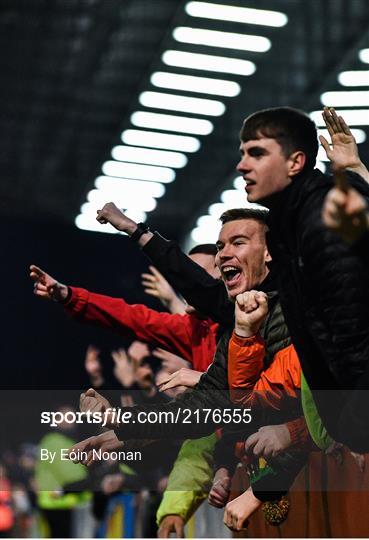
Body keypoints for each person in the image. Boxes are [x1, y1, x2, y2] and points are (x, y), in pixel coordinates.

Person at [235, 105, 369, 451]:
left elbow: (356, 333)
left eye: (257, 153)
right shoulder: (290, 223)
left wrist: (357, 424)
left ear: (295, 162)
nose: (242, 165)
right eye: (242, 153)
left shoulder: (322, 222)